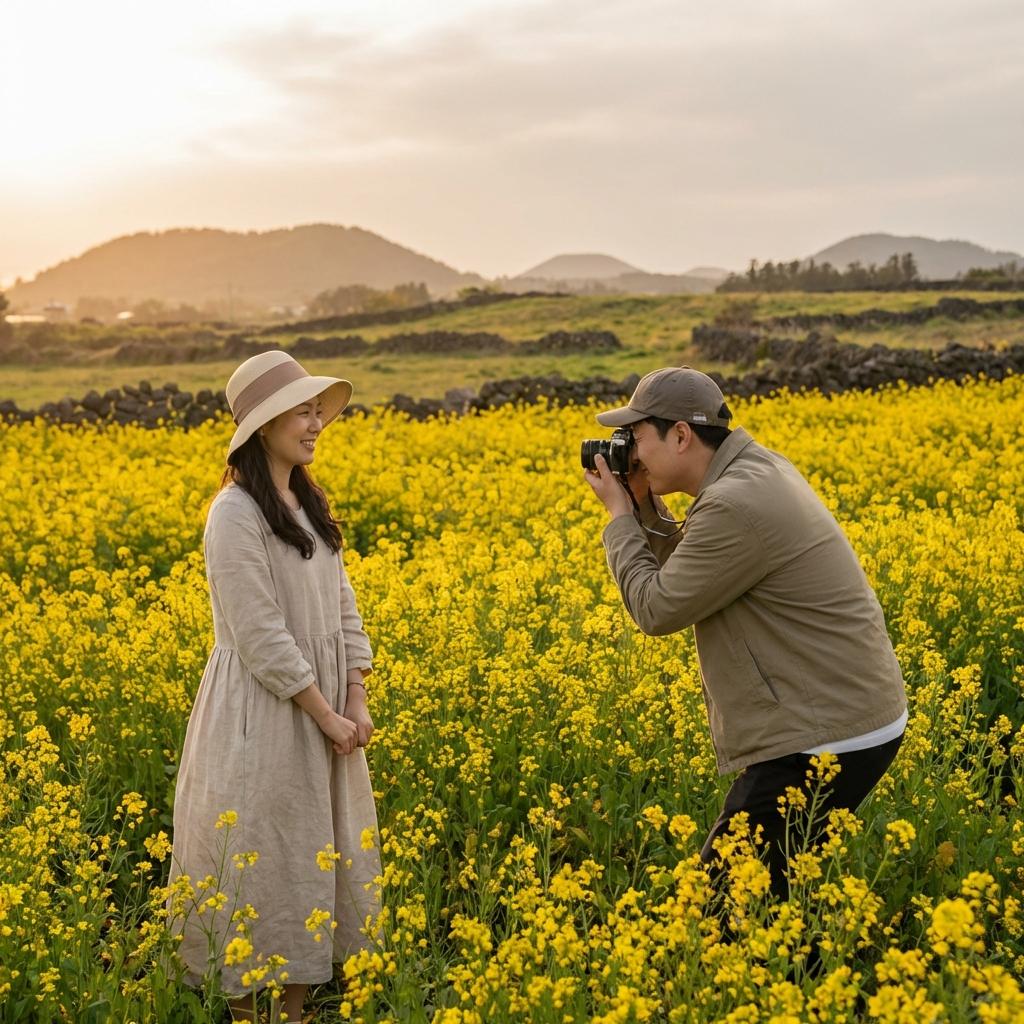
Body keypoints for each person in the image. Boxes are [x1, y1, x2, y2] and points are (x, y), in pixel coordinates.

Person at [583, 366, 907, 900]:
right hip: (848, 714)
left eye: (637, 436)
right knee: (769, 894)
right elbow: (699, 573)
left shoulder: (734, 502)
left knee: (716, 911)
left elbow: (657, 608)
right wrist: (644, 506)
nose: (630, 453)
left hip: (822, 736)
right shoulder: (754, 471)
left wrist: (619, 516)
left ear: (681, 435)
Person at [169, 350, 381, 1022]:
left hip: (324, 714)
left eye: (318, 409)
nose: (316, 422)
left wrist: (356, 695)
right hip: (263, 715)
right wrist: (323, 712)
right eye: (301, 410)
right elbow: (259, 633)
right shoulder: (233, 514)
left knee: (307, 867)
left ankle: (293, 1012)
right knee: (259, 864)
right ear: (263, 426)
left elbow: (343, 606)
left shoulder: (309, 503)